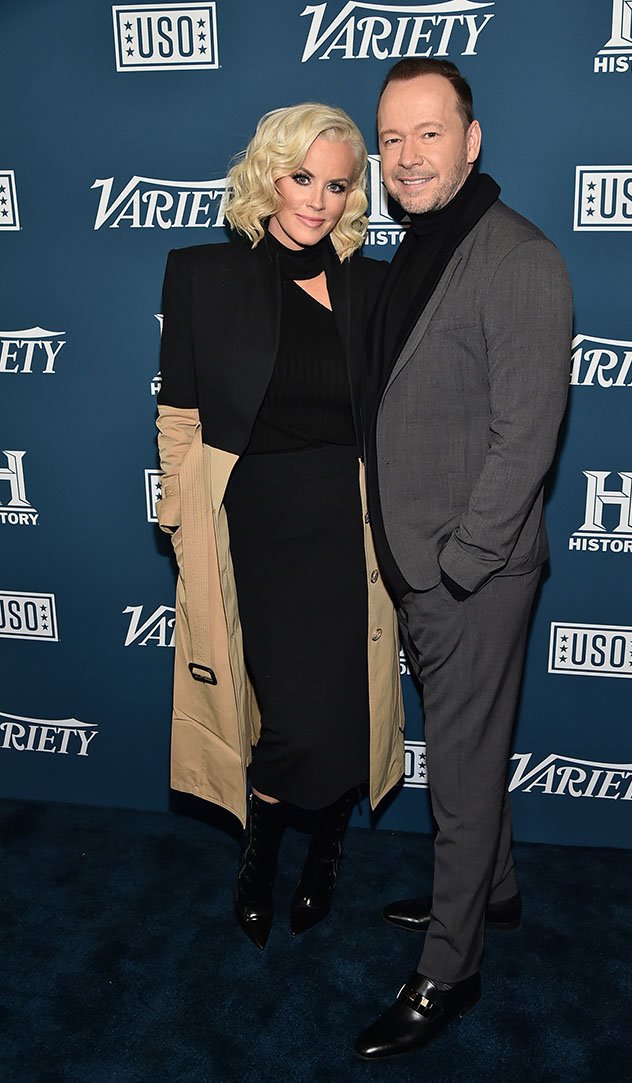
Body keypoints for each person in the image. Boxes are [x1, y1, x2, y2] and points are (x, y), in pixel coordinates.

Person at [354, 59, 573, 1059]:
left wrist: (455, 568)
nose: (408, 155)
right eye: (392, 138)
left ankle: (452, 970)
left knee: (463, 772)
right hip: (419, 563)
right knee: (468, 749)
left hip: (469, 574)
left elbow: (526, 439)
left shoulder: (515, 257)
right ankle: (499, 893)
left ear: (471, 140)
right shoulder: (418, 246)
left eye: (428, 134)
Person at [154, 103, 405, 952]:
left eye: (338, 185)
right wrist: (181, 527)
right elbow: (180, 416)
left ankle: (323, 845)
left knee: (338, 707)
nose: (319, 200)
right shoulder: (200, 275)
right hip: (254, 521)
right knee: (290, 711)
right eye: (304, 177)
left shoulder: (371, 287)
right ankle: (263, 850)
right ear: (268, 174)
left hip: (351, 525)